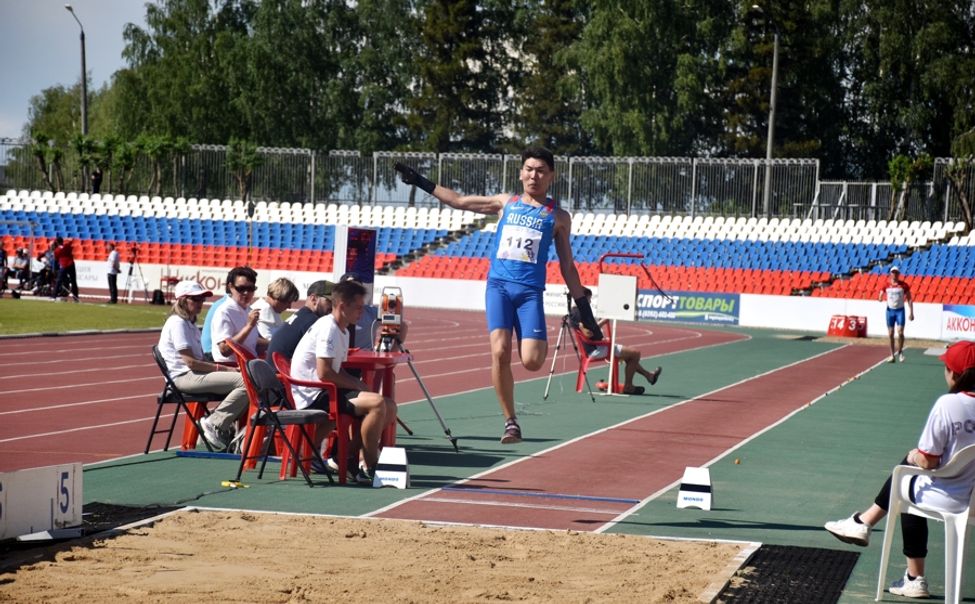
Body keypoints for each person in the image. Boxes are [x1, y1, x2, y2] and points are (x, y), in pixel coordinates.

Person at [395, 147, 602, 444]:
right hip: (499, 288)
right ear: (520, 173)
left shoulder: (558, 217)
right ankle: (510, 422)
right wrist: (420, 181)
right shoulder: (506, 202)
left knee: (532, 361)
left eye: (541, 171)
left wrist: (584, 308)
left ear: (551, 176)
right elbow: (459, 201)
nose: (534, 175)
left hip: (529, 294)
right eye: (529, 169)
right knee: (500, 351)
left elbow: (567, 265)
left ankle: (528, 337)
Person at [823, 340, 975, 599]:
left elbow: (929, 461)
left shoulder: (948, 404)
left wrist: (914, 455)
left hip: (947, 497)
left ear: (954, 373)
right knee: (911, 477)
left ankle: (912, 576)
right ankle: (862, 523)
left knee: (906, 479)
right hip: (972, 498)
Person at [289, 280, 398, 484]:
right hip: (314, 392)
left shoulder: (344, 331)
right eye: (358, 307)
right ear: (342, 306)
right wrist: (357, 385)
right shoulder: (328, 328)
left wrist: (357, 384)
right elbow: (324, 373)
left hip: (327, 390)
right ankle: (370, 464)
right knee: (377, 404)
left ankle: (345, 457)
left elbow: (336, 371)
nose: (362, 312)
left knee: (390, 407)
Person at [156, 280, 249, 450]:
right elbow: (191, 363)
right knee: (245, 382)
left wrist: (226, 369)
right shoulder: (177, 323)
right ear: (182, 300)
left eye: (202, 299)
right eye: (195, 299)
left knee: (248, 380)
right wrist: (224, 368)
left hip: (192, 374)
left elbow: (198, 361)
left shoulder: (188, 323)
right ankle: (215, 423)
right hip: (183, 377)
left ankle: (220, 424)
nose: (200, 303)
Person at [570, 288, 662, 395]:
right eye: (589, 299)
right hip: (596, 349)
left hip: (594, 346)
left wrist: (600, 331)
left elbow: (590, 331)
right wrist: (602, 328)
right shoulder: (579, 313)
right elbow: (588, 334)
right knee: (635, 354)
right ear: (583, 299)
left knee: (630, 356)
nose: (590, 302)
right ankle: (628, 386)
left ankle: (649, 376)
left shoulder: (575, 312)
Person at [266, 280, 335, 361]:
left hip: (276, 366)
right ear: (313, 299)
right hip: (282, 368)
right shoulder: (313, 322)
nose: (333, 306)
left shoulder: (303, 316)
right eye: (329, 301)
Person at [210, 266, 263, 362]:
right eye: (241, 288)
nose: (246, 293)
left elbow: (252, 343)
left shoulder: (248, 309)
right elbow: (224, 350)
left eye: (251, 288)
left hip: (248, 363)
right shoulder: (224, 312)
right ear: (230, 287)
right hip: (231, 366)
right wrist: (249, 326)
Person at [249, 277, 300, 347]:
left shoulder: (271, 309)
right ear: (279, 298)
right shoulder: (264, 310)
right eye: (288, 302)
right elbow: (268, 342)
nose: (289, 307)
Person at [880, 266, 915, 363]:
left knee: (900, 332)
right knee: (891, 333)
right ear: (890, 274)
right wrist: (880, 297)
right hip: (890, 311)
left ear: (899, 274)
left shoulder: (904, 285)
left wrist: (911, 312)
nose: (894, 274)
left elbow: (909, 299)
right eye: (893, 272)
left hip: (900, 311)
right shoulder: (886, 285)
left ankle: (900, 352)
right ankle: (892, 355)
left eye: (896, 272)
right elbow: (881, 292)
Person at [52, 236, 80, 302]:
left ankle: (54, 296)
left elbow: (56, 260)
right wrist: (66, 239)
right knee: (73, 281)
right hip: (71, 264)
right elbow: (71, 239)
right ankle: (76, 297)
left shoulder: (56, 250)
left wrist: (55, 269)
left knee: (58, 281)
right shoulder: (67, 246)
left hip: (63, 265)